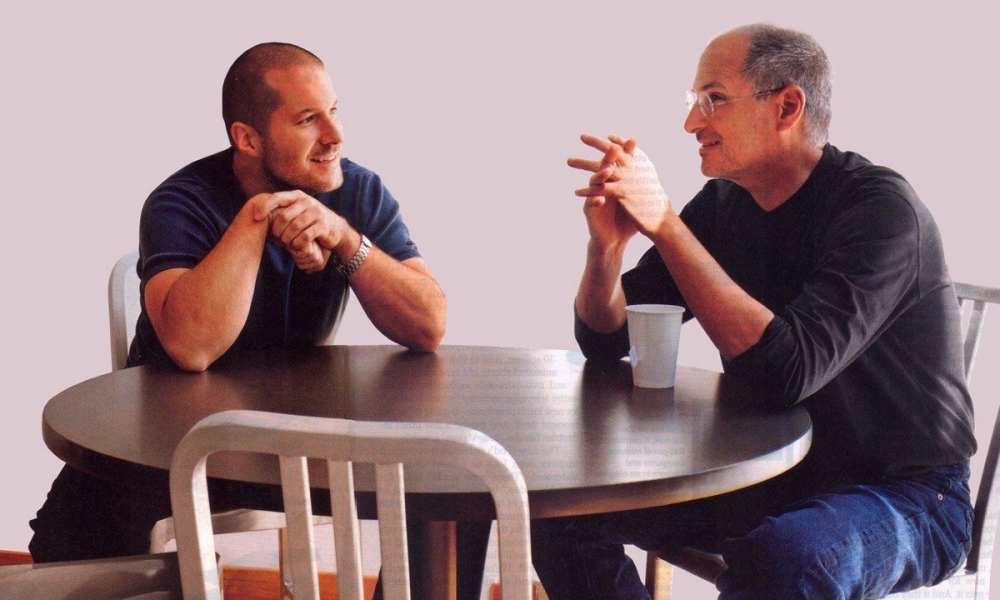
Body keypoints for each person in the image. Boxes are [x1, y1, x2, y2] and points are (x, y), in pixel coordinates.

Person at [531, 23, 976, 600]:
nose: (692, 123)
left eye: (712, 100)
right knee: (555, 507)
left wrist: (665, 224)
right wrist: (606, 250)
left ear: (787, 106)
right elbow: (608, 339)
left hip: (909, 495)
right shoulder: (725, 205)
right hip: (772, 472)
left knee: (784, 558)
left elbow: (782, 374)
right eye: (693, 103)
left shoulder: (881, 211)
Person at [29, 42, 488, 599]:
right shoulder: (179, 202)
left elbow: (428, 324)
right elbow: (191, 347)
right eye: (307, 119)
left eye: (335, 111)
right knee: (65, 542)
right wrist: (258, 216)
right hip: (167, 443)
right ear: (247, 138)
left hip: (296, 438)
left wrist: (345, 238)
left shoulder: (355, 189)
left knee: (449, 495)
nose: (335, 135)